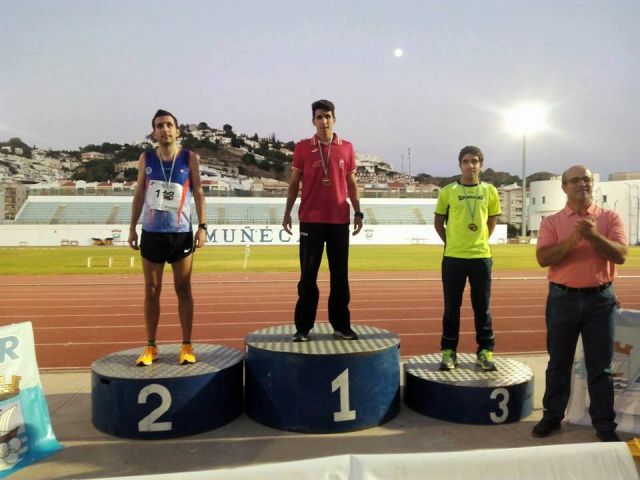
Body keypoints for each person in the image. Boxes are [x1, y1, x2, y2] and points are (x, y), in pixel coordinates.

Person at [532, 165, 627, 442]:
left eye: (586, 179)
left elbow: (621, 255)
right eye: (574, 180)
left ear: (592, 185)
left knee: (601, 367)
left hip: (601, 300)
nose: (581, 184)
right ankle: (552, 416)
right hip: (562, 299)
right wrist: (575, 238)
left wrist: (595, 236)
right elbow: (544, 258)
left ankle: (604, 424)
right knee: (558, 362)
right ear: (564, 187)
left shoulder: (609, 217)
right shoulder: (552, 222)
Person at [128, 109, 207, 366]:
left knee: (183, 289)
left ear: (177, 131)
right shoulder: (146, 158)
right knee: (151, 291)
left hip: (180, 234)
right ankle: (151, 346)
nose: (164, 129)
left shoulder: (189, 157)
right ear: (154, 132)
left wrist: (202, 227)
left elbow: (199, 194)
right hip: (152, 233)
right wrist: (132, 228)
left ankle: (186, 345)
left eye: (169, 125)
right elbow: (139, 194)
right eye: (159, 126)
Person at [282, 99, 363, 342]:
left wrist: (358, 212)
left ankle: (341, 325)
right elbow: (294, 183)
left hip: (339, 220)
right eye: (319, 117)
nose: (323, 121)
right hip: (310, 220)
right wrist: (287, 212)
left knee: (340, 276)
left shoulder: (346, 147)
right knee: (308, 276)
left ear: (334, 119)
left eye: (327, 116)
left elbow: (351, 184)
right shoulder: (303, 147)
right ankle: (303, 328)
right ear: (313, 121)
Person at [434, 145, 501, 371]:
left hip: (481, 257)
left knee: (482, 307)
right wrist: (451, 242)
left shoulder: (490, 191)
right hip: (453, 257)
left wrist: (480, 240)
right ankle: (449, 352)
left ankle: (485, 351)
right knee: (451, 307)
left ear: (480, 165)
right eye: (466, 161)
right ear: (460, 165)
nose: (470, 165)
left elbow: (492, 221)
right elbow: (438, 222)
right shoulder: (448, 191)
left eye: (474, 161)